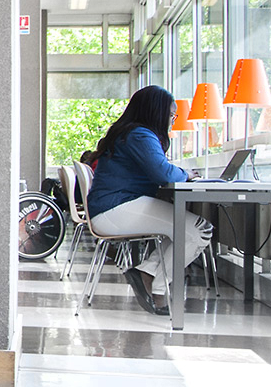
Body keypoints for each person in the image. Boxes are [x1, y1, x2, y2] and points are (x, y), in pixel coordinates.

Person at [84, 85, 213, 316]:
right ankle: (158, 287)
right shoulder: (140, 135)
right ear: (157, 112)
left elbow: (160, 168)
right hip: (116, 209)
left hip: (112, 207)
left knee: (182, 230)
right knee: (200, 230)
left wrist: (179, 173)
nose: (172, 121)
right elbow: (163, 173)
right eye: (171, 115)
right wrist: (186, 174)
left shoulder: (130, 133)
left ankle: (147, 273)